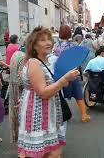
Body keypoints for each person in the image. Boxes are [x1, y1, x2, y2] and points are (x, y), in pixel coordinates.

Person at [18, 26, 79, 158]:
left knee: (49, 151)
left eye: (49, 39)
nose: (48, 43)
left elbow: (51, 85)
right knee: (50, 152)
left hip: (46, 112)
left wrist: (65, 79)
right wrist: (64, 79)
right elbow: (43, 93)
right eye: (42, 40)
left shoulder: (47, 60)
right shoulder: (34, 63)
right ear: (33, 46)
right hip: (38, 112)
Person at [53, 25, 91, 123]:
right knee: (78, 93)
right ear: (70, 33)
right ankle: (84, 114)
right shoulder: (73, 45)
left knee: (59, 94)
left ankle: (61, 115)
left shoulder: (56, 45)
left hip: (60, 73)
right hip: (71, 72)